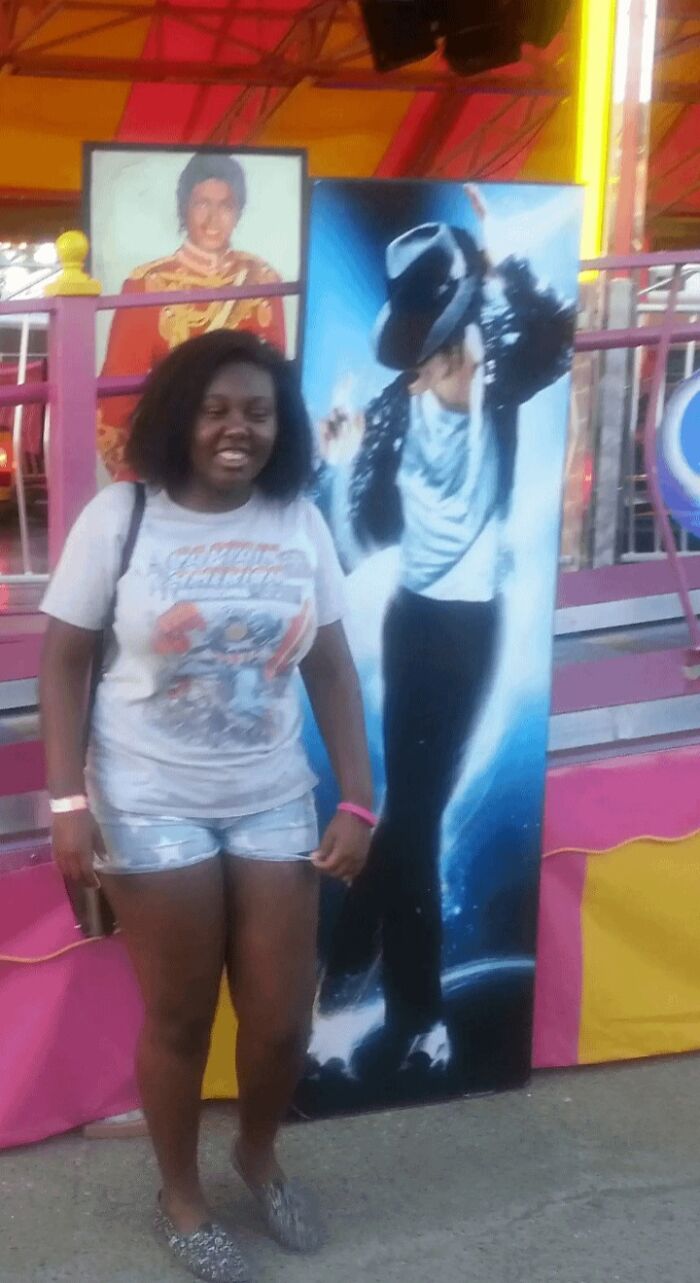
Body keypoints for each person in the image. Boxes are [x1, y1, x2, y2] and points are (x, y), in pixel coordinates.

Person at [40, 330, 374, 1283]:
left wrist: (359, 798)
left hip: (272, 796)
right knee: (182, 1015)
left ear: (281, 426)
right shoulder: (122, 516)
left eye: (258, 412)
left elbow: (331, 667)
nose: (238, 428)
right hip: (147, 800)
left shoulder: (297, 520)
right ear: (179, 417)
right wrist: (68, 801)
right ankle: (181, 1196)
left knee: (279, 1019)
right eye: (217, 409)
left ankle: (256, 1154)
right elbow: (62, 660)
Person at [316, 186, 576, 1073]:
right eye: (442, 349)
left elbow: (554, 337)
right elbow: (358, 536)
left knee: (414, 814)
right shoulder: (393, 411)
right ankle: (408, 1011)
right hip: (416, 622)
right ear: (419, 355)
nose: (463, 361)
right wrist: (343, 462)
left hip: (479, 626)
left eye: (463, 339)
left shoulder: (498, 376)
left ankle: (350, 976)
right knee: (416, 816)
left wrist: (504, 260)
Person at [98, 152, 287, 481]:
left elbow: (277, 386)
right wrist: (144, 479)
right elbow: (116, 402)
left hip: (245, 463)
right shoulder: (147, 284)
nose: (213, 219)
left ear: (238, 211)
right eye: (202, 204)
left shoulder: (263, 280)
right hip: (172, 464)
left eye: (225, 206)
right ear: (184, 207)